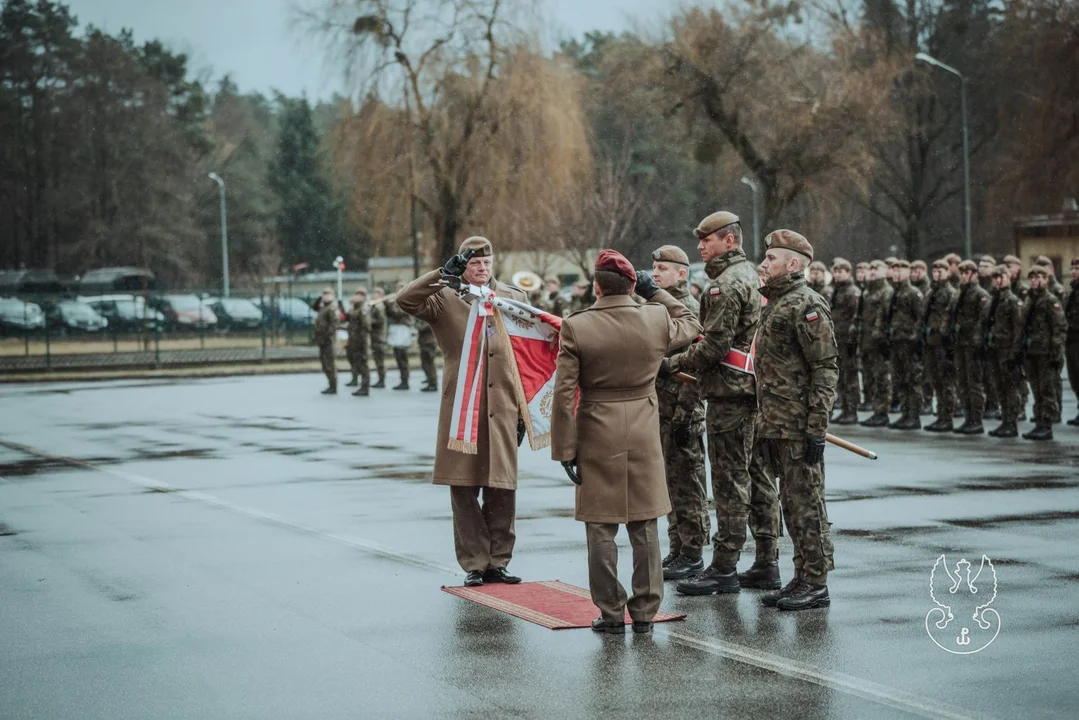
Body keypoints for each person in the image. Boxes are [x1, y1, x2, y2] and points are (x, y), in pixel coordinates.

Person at [551, 250, 701, 634]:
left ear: (597, 286)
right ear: (633, 284)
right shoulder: (654, 318)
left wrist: (565, 449)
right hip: (644, 426)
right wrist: (656, 293)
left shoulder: (577, 325)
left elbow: (564, 393)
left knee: (600, 526)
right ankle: (647, 611)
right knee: (644, 522)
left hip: (597, 427)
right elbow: (690, 320)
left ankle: (611, 612)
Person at [397, 237, 528, 586]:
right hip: (461, 408)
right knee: (464, 487)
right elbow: (405, 300)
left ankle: (499, 560)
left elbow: (526, 356)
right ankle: (475, 561)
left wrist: (524, 413)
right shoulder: (443, 299)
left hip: (503, 405)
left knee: (502, 486)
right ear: (464, 265)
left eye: (487, 262)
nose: (482, 269)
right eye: (475, 264)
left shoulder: (513, 299)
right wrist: (442, 275)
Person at [667, 211, 781, 597]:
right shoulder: (752, 275)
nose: (701, 246)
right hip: (753, 392)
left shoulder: (724, 286)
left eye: (708, 240)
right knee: (758, 478)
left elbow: (714, 347)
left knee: (731, 482)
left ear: (729, 241)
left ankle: (724, 566)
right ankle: (767, 560)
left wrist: (674, 364)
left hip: (730, 396)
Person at [755, 230, 838, 611]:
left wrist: (817, 427)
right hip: (775, 422)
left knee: (807, 505)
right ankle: (801, 575)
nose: (763, 264)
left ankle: (817, 582)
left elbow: (825, 369)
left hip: (798, 424)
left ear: (793, 264)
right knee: (790, 503)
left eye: (771, 258)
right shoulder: (776, 303)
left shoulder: (807, 304)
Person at [648, 245, 711, 580]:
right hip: (660, 408)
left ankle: (693, 550)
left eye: (664, 269)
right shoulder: (655, 305)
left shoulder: (687, 308)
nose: (656, 273)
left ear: (682, 273)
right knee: (670, 484)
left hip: (681, 411)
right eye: (655, 268)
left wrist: (686, 414)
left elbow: (695, 368)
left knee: (688, 483)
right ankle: (677, 548)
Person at [1013, 265, 1067, 441]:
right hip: (1031, 351)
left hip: (1045, 352)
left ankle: (1046, 425)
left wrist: (1056, 354)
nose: (1035, 281)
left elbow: (1059, 328)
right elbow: (1022, 327)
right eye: (1033, 278)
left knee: (1046, 389)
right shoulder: (1030, 300)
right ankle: (1039, 423)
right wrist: (1018, 350)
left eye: (1039, 278)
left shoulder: (1050, 301)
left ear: (1046, 279)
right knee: (1036, 389)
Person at [953, 260, 992, 434]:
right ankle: (969, 418)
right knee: (963, 383)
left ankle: (976, 419)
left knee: (974, 383)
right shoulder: (960, 293)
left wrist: (977, 342)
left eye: (966, 273)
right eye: (961, 273)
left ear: (974, 275)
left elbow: (983, 321)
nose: (963, 276)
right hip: (960, 343)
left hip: (972, 345)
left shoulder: (980, 294)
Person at [886, 259, 924, 430]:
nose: (896, 274)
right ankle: (905, 413)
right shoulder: (895, 293)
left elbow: (920, 318)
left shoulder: (913, 293)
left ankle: (914, 416)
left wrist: (915, 339)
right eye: (894, 271)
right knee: (899, 379)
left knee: (912, 379)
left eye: (899, 271)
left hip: (908, 342)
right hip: (896, 342)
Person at [923, 260, 960, 432]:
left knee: (946, 381)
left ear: (947, 272)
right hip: (931, 341)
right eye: (935, 270)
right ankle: (941, 415)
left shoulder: (950, 292)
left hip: (942, 343)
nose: (937, 273)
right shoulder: (932, 291)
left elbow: (950, 318)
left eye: (941, 271)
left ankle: (947, 416)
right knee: (936, 379)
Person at [986, 265, 1022, 437]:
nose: (997, 280)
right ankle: (1005, 420)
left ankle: (1011, 423)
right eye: (995, 277)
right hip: (995, 348)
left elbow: (1018, 329)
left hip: (1006, 349)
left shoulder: (1012, 301)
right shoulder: (994, 299)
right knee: (999, 386)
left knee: (1010, 387)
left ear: (1009, 278)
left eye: (1001, 277)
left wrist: (1015, 353)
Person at [859, 260, 893, 427]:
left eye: (876, 268)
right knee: (871, 376)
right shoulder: (868, 291)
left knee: (881, 377)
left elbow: (886, 317)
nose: (872, 271)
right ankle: (875, 409)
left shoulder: (886, 291)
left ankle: (882, 411)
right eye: (870, 268)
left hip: (879, 341)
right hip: (867, 340)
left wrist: (883, 338)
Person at [829, 258, 861, 425]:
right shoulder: (837, 290)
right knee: (840, 376)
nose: (837, 274)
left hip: (847, 339)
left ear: (848, 273)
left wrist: (852, 338)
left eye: (841, 271)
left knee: (850, 375)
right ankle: (845, 407)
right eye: (835, 271)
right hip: (837, 338)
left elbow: (855, 316)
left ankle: (852, 410)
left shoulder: (851, 292)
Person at [385, 280, 413, 390]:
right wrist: (387, 305)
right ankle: (402, 379)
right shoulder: (395, 301)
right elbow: (389, 314)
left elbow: (398, 313)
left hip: (403, 329)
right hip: (396, 328)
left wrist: (390, 304)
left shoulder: (407, 300)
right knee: (397, 355)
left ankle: (405, 381)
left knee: (402, 356)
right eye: (397, 289)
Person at [312, 287, 341, 395]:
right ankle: (330, 385)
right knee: (325, 364)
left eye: (328, 294)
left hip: (328, 340)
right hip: (322, 339)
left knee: (330, 364)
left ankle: (333, 386)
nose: (325, 296)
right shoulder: (323, 307)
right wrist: (320, 298)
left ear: (332, 296)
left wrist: (327, 336)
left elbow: (334, 324)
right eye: (324, 294)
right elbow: (314, 307)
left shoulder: (332, 308)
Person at [345, 288, 371, 396]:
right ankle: (361, 385)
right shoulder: (356, 308)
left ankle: (365, 387)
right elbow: (349, 319)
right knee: (359, 363)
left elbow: (366, 326)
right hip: (355, 341)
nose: (356, 297)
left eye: (360, 295)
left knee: (363, 364)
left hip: (361, 341)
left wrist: (361, 338)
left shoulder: (363, 309)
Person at [1066, 258, 1079, 426]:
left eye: (1077, 268)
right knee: (1075, 378)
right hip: (1071, 340)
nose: (1074, 271)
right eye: (1073, 268)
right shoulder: (1072, 291)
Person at [369, 288, 388, 388]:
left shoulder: (379, 307)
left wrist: (368, 321)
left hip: (379, 337)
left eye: (376, 293)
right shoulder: (374, 306)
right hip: (375, 337)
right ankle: (380, 379)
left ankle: (382, 380)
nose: (374, 295)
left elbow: (379, 321)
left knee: (380, 360)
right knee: (377, 360)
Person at [418, 320, 439, 392]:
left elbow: (422, 328)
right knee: (426, 364)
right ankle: (431, 382)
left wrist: (417, 327)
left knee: (429, 364)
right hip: (425, 343)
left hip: (428, 343)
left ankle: (433, 384)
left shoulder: (429, 318)